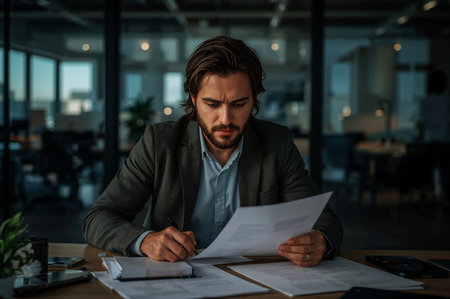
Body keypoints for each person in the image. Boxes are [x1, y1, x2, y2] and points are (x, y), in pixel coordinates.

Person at [83, 36, 343, 267]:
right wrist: (146, 241)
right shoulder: (158, 142)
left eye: (239, 104)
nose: (226, 119)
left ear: (254, 99)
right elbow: (99, 218)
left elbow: (324, 221)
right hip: (175, 283)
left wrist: (318, 240)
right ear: (194, 99)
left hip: (254, 279)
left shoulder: (277, 142)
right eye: (212, 104)